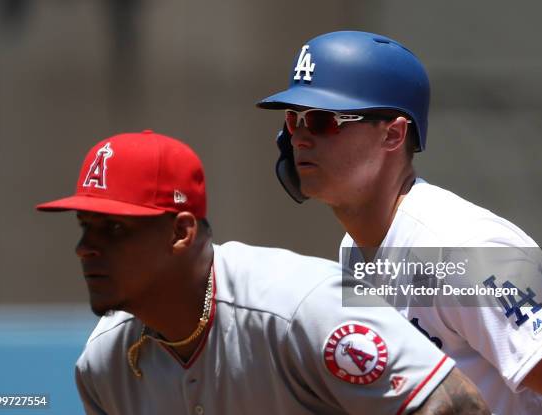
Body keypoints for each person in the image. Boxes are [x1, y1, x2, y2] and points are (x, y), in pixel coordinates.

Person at [257, 31, 542, 415]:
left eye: (322, 120)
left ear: (393, 134)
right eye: (294, 119)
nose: (299, 137)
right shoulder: (358, 244)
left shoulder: (465, 246)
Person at [36, 130, 489, 414]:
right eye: (85, 227)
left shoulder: (301, 307)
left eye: (113, 228)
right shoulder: (104, 364)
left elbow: (457, 406)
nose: (84, 249)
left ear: (180, 232)